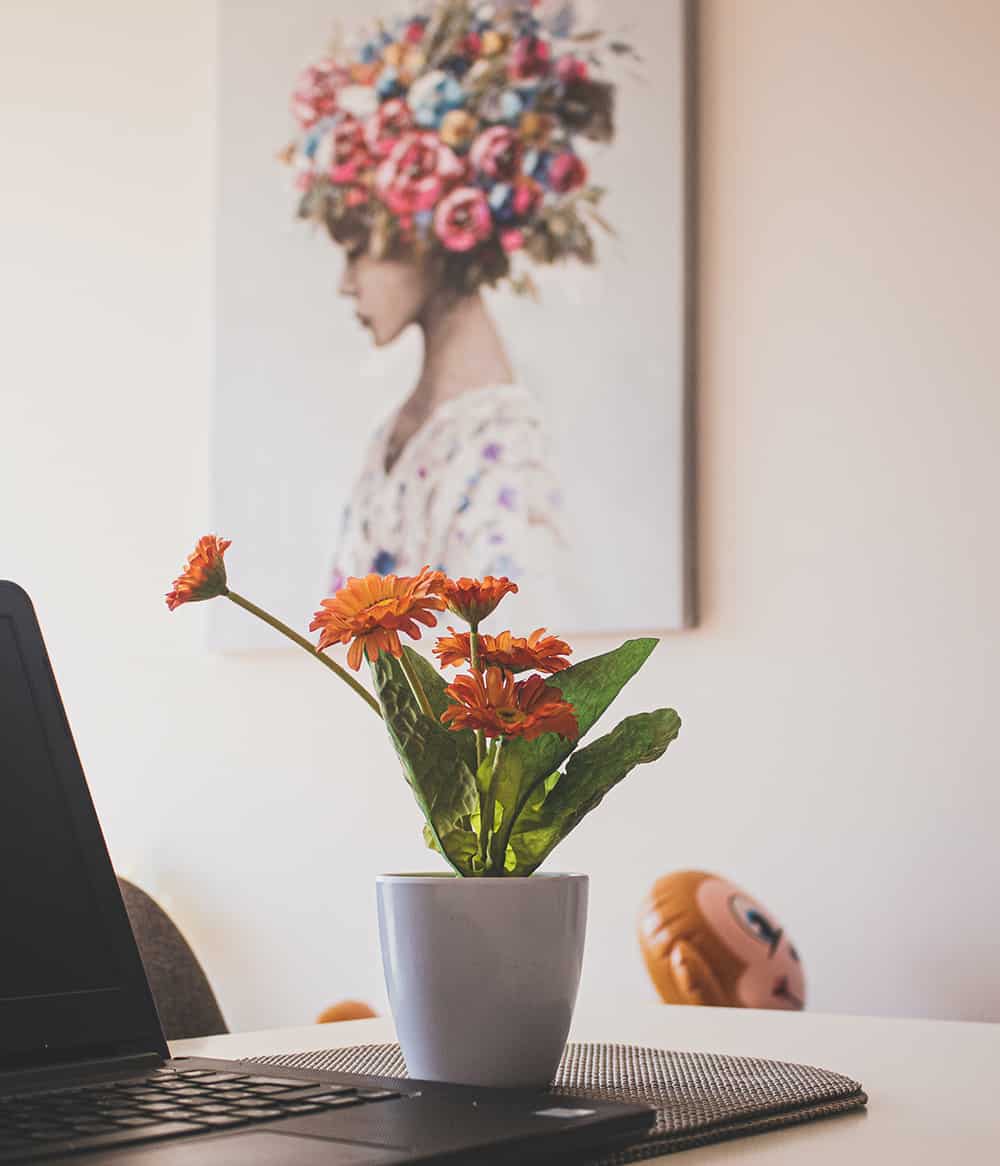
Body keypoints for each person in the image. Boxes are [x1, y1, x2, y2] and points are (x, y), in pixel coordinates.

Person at [285, 0, 620, 598]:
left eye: (360, 249)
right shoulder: (398, 432)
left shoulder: (505, 453)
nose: (346, 284)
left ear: (431, 233)